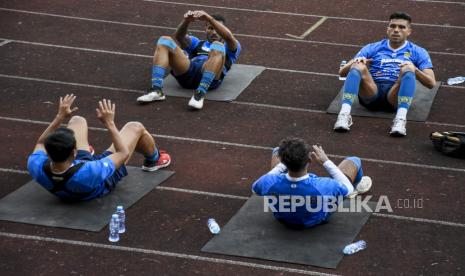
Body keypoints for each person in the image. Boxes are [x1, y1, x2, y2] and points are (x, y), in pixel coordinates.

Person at [27, 94, 171, 201]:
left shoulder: (36, 165)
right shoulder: (92, 171)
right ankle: (154, 160)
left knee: (77, 120)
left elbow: (40, 143)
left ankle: (87, 152)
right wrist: (110, 123)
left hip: (70, 173)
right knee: (135, 127)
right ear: (74, 152)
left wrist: (59, 117)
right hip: (96, 184)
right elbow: (123, 153)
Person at [334, 12, 436, 136]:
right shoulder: (372, 47)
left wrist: (414, 69)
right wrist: (356, 62)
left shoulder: (418, 52)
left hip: (395, 95)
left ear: (409, 31)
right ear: (387, 29)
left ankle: (400, 119)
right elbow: (342, 72)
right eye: (392, 26)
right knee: (358, 65)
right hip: (371, 91)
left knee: (408, 70)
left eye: (401, 27)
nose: (396, 30)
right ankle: (344, 115)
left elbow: (431, 83)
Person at [252, 137, 372, 228]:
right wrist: (326, 162)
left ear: (282, 161)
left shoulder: (269, 181)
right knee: (354, 160)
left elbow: (255, 188)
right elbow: (348, 188)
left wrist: (284, 162)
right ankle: (357, 189)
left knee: (277, 150)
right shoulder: (324, 185)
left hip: (282, 218)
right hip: (315, 220)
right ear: (310, 159)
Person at [137, 10, 241, 110]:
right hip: (188, 74)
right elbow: (179, 36)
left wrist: (209, 18)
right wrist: (186, 21)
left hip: (211, 77)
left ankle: (199, 94)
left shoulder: (230, 46)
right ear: (205, 29)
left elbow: (229, 37)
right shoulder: (197, 42)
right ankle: (156, 90)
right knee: (164, 40)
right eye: (210, 28)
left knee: (217, 46)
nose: (214, 32)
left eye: (217, 29)